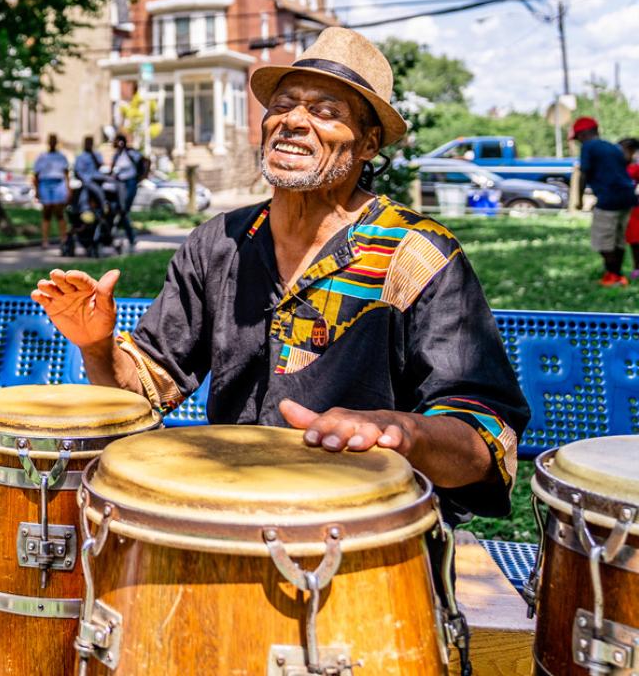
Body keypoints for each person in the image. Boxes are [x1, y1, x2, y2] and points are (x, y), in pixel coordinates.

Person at [33, 28, 529, 520]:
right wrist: (96, 346)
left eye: (325, 112)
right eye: (284, 105)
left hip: (369, 532)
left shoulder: (416, 255)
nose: (293, 120)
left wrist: (401, 431)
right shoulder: (220, 242)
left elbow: (484, 440)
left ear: (368, 144)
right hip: (230, 517)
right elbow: (145, 392)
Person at [572, 116, 637, 287]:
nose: (578, 141)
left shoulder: (588, 146)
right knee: (619, 238)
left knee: (603, 240)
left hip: (609, 199)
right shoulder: (612, 147)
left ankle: (613, 275)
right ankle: (617, 274)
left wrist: (578, 200)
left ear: (584, 134)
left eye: (578, 137)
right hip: (628, 197)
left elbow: (584, 173)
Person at [31, 134, 70, 248]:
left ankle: (63, 238)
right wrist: (37, 190)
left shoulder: (61, 157)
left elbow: (66, 174)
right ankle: (45, 240)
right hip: (45, 183)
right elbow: (36, 175)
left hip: (58, 183)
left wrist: (68, 189)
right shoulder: (42, 157)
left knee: (59, 212)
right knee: (46, 212)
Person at [109, 133, 146, 252]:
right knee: (120, 210)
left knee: (123, 210)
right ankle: (128, 237)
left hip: (130, 183)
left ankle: (120, 234)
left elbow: (145, 161)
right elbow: (112, 170)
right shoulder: (116, 156)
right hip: (119, 183)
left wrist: (142, 176)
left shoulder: (130, 153)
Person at [620, 137, 639, 281]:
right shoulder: (616, 167)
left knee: (636, 240)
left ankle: (637, 269)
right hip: (620, 208)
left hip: (634, 209)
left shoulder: (635, 168)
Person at [73, 133, 102, 211]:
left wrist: (92, 155)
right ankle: (84, 209)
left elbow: (99, 165)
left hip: (96, 180)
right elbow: (76, 172)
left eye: (90, 142)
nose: (88, 144)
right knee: (87, 192)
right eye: (87, 142)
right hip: (86, 181)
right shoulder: (80, 156)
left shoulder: (97, 154)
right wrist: (84, 180)